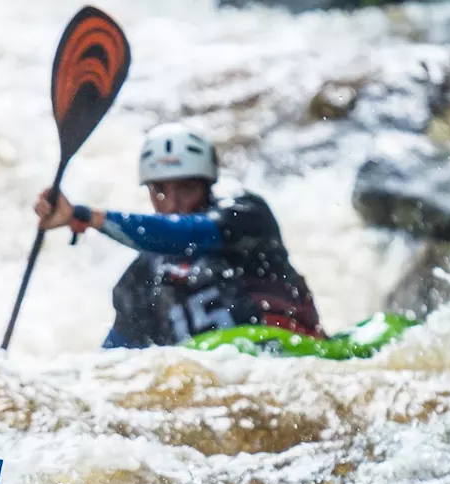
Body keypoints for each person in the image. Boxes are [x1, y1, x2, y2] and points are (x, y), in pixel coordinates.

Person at [34, 122, 324, 349]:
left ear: (208, 184)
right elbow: (116, 359)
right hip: (215, 379)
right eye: (160, 190)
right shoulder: (141, 277)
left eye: (186, 188)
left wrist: (89, 217)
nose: (172, 204)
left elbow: (188, 233)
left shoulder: (245, 215)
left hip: (286, 350)